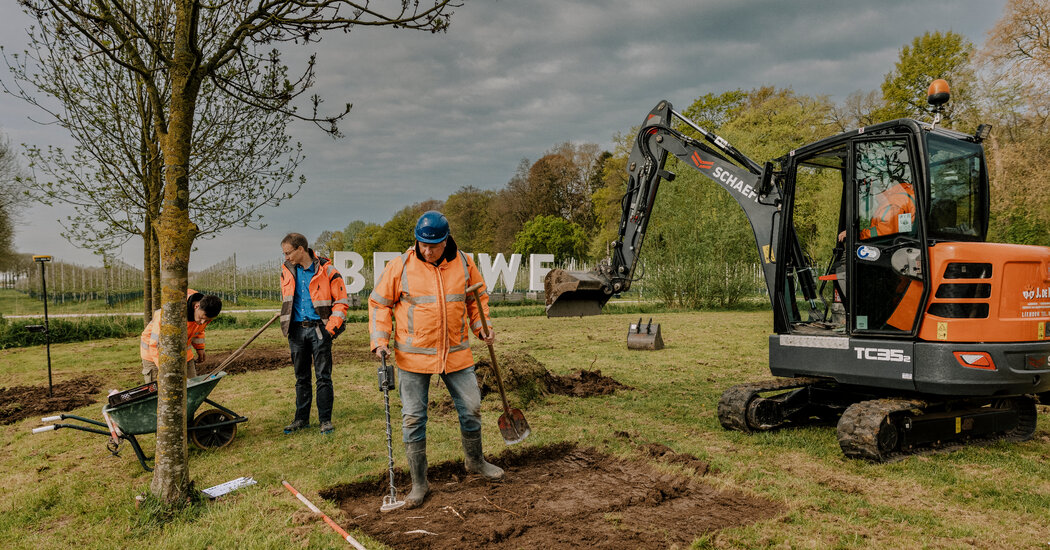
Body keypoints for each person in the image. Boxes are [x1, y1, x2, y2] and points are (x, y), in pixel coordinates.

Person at [369, 210, 504, 509]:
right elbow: (380, 304)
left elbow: (476, 299)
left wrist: (482, 327)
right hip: (413, 358)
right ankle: (420, 483)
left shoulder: (465, 264)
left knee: (471, 408)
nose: (426, 251)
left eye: (433, 245)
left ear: (446, 241)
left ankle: (475, 462)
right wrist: (380, 341)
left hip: (456, 354)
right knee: (414, 419)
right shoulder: (401, 265)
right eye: (422, 244)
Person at [279, 232, 350, 435]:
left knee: (323, 377)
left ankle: (325, 421)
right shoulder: (286, 270)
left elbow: (341, 302)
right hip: (296, 331)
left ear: (300, 249)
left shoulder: (328, 270)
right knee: (301, 378)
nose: (286, 257)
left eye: (288, 252)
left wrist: (330, 330)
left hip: (320, 330)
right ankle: (301, 419)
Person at [140, 289, 222, 384]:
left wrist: (200, 348)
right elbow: (155, 345)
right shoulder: (170, 313)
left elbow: (198, 330)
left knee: (191, 386)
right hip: (154, 354)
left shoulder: (206, 311)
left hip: (183, 353)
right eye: (202, 318)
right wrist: (164, 369)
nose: (203, 322)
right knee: (160, 390)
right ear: (196, 306)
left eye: (207, 320)